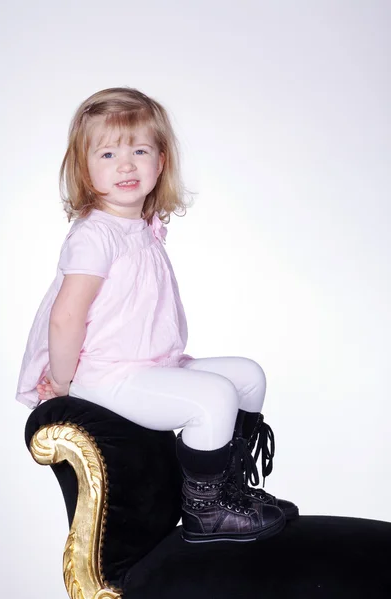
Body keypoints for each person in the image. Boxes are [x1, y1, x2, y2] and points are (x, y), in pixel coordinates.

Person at [16, 87, 297, 543]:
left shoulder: (142, 226)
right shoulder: (95, 235)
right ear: (84, 170)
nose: (125, 165)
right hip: (105, 372)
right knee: (214, 399)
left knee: (247, 377)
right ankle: (206, 511)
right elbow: (66, 317)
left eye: (140, 150)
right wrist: (63, 383)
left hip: (151, 363)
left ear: (160, 162)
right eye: (107, 153)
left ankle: (229, 490)